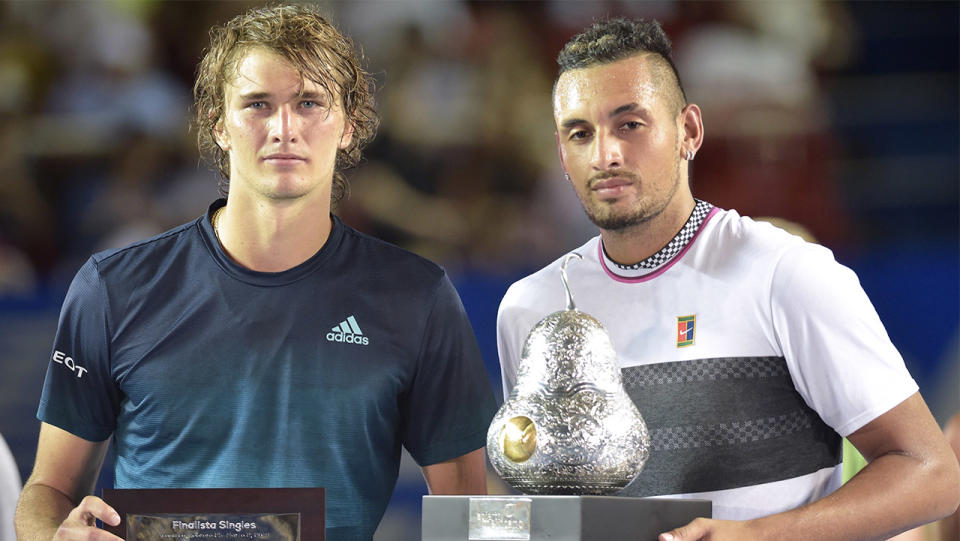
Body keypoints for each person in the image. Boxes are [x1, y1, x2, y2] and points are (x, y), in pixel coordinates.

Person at [15, 5, 496, 540]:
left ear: (349, 125)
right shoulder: (112, 288)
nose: (284, 128)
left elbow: (469, 514)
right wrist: (55, 536)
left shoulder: (417, 297)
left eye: (310, 103)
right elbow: (47, 491)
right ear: (218, 124)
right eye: (257, 104)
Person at [495, 17, 959, 541]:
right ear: (562, 153)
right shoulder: (529, 309)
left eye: (630, 124)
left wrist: (758, 536)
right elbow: (548, 511)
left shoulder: (785, 272)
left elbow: (932, 473)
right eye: (581, 133)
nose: (606, 154)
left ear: (688, 132)